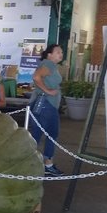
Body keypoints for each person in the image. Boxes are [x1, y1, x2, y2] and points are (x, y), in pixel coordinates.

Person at [28, 43, 64, 177]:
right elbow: (36, 77)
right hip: (45, 105)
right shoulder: (48, 64)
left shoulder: (52, 65)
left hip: (48, 105)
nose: (61, 54)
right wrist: (48, 91)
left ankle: (47, 164)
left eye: (61, 52)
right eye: (58, 52)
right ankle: (28, 163)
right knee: (42, 135)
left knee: (49, 134)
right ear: (49, 54)